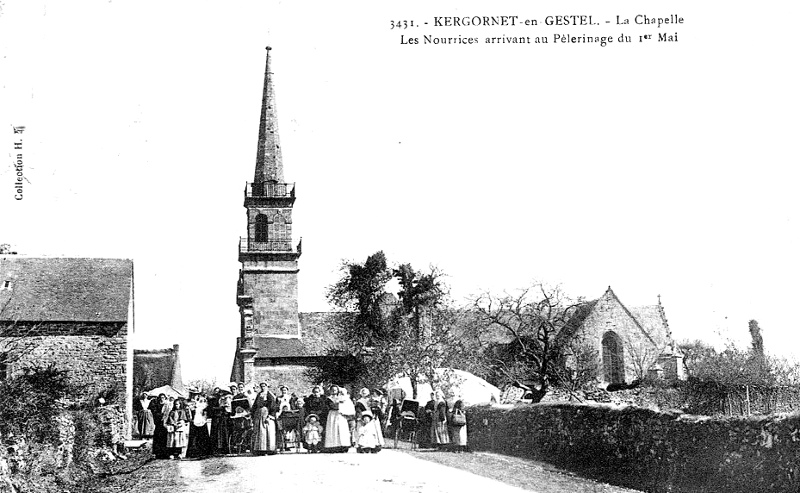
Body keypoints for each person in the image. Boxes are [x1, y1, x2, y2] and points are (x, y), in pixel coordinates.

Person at [251, 382, 278, 455]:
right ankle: (259, 449)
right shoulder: (259, 394)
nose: (263, 388)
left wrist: (270, 416)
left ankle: (268, 449)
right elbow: (255, 405)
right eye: (261, 386)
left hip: (266, 414)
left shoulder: (269, 395)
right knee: (258, 431)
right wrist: (252, 414)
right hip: (258, 414)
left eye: (264, 386)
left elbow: (273, 406)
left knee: (266, 431)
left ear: (267, 387)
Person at [323, 385, 351, 453]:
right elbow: (330, 406)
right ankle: (333, 446)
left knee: (341, 429)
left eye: (335, 390)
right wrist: (337, 405)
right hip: (332, 414)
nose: (333, 391)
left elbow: (347, 405)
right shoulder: (328, 399)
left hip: (340, 414)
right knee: (333, 429)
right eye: (332, 390)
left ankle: (343, 445)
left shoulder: (342, 398)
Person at [355, 387, 384, 452]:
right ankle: (361, 446)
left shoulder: (371, 400)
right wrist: (361, 417)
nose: (364, 394)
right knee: (362, 431)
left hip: (372, 418)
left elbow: (375, 409)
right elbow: (358, 410)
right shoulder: (359, 401)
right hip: (363, 418)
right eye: (363, 392)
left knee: (373, 431)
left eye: (365, 392)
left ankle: (374, 446)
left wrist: (374, 414)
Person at [186, 392, 212, 458]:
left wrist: (204, 417)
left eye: (196, 394)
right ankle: (194, 453)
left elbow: (205, 409)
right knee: (194, 437)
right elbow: (189, 411)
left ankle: (205, 452)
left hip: (202, 419)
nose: (194, 395)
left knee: (203, 436)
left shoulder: (202, 400)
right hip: (194, 420)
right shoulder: (189, 402)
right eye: (192, 394)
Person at [150, 394, 171, 459]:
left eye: (163, 397)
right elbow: (154, 413)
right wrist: (158, 416)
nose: (162, 399)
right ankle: (158, 453)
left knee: (164, 438)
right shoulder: (157, 405)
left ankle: (165, 453)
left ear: (165, 398)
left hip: (164, 423)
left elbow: (168, 414)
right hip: (158, 423)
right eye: (161, 398)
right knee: (157, 438)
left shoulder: (167, 405)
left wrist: (164, 418)